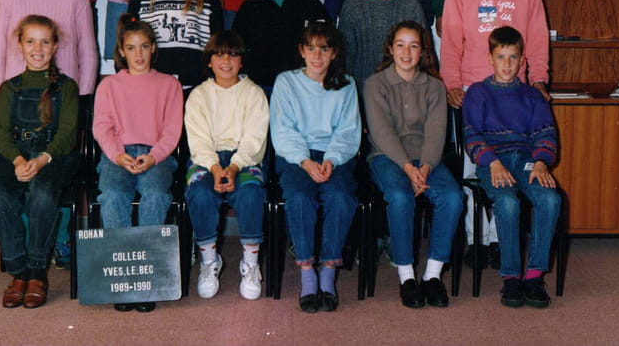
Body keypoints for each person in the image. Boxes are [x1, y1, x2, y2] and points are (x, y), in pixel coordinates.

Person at [440, 0, 549, 270]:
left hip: (515, 92)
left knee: (513, 164)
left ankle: (500, 239)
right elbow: (451, 41)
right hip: (474, 90)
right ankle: (476, 239)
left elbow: (536, 39)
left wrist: (538, 79)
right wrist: (451, 83)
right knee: (476, 168)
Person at [363, 21, 462, 309]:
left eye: (414, 46)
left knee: (452, 197)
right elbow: (381, 132)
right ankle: (406, 276)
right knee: (400, 196)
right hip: (386, 157)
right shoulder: (374, 84)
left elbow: (436, 132)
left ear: (423, 51)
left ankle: (432, 275)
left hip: (428, 158)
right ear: (390, 49)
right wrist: (408, 168)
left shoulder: (434, 86)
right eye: (401, 45)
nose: (407, 53)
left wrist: (425, 168)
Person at [0, 15, 80, 309]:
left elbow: (67, 133)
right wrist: (17, 160)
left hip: (54, 156)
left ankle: (37, 271)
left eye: (45, 42)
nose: (37, 49)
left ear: (55, 47)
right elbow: (2, 135)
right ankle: (19, 272)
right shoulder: (8, 88)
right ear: (20, 45)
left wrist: (40, 161)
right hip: (13, 155)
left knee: (42, 193)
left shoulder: (66, 87)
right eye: (30, 41)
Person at [463, 26, 560, 308]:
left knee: (550, 199)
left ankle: (534, 276)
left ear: (522, 60)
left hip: (527, 160)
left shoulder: (532, 95)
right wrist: (491, 162)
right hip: (494, 160)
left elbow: (545, 133)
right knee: (507, 203)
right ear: (490, 58)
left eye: (513, 57)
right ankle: (511, 277)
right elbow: (471, 134)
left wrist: (541, 162)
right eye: (500, 57)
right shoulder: (478, 93)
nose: (507, 64)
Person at [92, 14, 184, 313]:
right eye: (131, 48)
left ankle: (145, 277)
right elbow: (102, 128)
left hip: (157, 155)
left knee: (156, 195)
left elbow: (172, 131)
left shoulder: (169, 84)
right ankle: (124, 278)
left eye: (144, 46)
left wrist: (154, 156)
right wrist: (118, 155)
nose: (139, 54)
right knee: (113, 195)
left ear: (153, 48)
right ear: (121, 51)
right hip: (117, 155)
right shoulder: (109, 86)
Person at [270, 21, 361, 313]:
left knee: (340, 197)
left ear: (334, 53)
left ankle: (328, 271)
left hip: (336, 155)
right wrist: (306, 161)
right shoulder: (286, 82)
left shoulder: (346, 84)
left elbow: (348, 132)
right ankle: (307, 272)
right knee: (299, 198)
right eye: (311, 48)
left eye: (324, 49)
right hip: (297, 156)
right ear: (301, 51)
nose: (317, 56)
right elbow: (283, 130)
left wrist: (330, 160)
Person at [184, 31, 269, 300]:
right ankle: (209, 261)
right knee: (200, 193)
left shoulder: (254, 94)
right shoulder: (198, 95)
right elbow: (198, 140)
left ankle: (251, 263)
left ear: (241, 61)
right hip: (206, 159)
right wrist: (214, 167)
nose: (226, 61)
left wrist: (233, 167)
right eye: (219, 55)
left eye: (232, 55)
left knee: (250, 193)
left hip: (244, 158)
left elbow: (255, 139)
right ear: (209, 62)